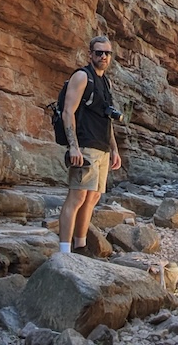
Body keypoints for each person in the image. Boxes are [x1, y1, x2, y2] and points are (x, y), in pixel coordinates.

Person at [58, 35, 121, 255]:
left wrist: (114, 149)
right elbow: (68, 112)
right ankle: (64, 252)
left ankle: (81, 246)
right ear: (90, 54)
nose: (103, 56)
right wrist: (73, 146)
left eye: (107, 53)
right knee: (77, 197)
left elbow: (107, 118)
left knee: (92, 197)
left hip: (102, 147)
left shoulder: (106, 82)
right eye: (99, 52)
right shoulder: (82, 77)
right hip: (85, 145)